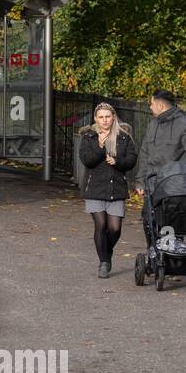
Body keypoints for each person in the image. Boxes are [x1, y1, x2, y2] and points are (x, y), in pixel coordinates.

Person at [134, 89, 186, 247]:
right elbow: (144, 153)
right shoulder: (153, 124)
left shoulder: (184, 125)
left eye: (151, 104)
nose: (150, 107)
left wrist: (180, 173)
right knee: (148, 217)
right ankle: (154, 250)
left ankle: (173, 251)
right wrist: (140, 181)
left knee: (173, 218)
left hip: (175, 184)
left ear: (160, 105)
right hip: (152, 182)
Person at [78, 103, 137, 278]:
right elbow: (87, 160)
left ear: (113, 117)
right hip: (95, 188)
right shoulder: (89, 137)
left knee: (115, 228)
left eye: (108, 117)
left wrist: (117, 162)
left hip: (116, 188)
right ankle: (104, 262)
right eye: (101, 117)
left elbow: (132, 160)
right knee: (101, 225)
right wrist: (100, 146)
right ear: (96, 118)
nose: (105, 120)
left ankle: (106, 250)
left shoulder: (124, 137)